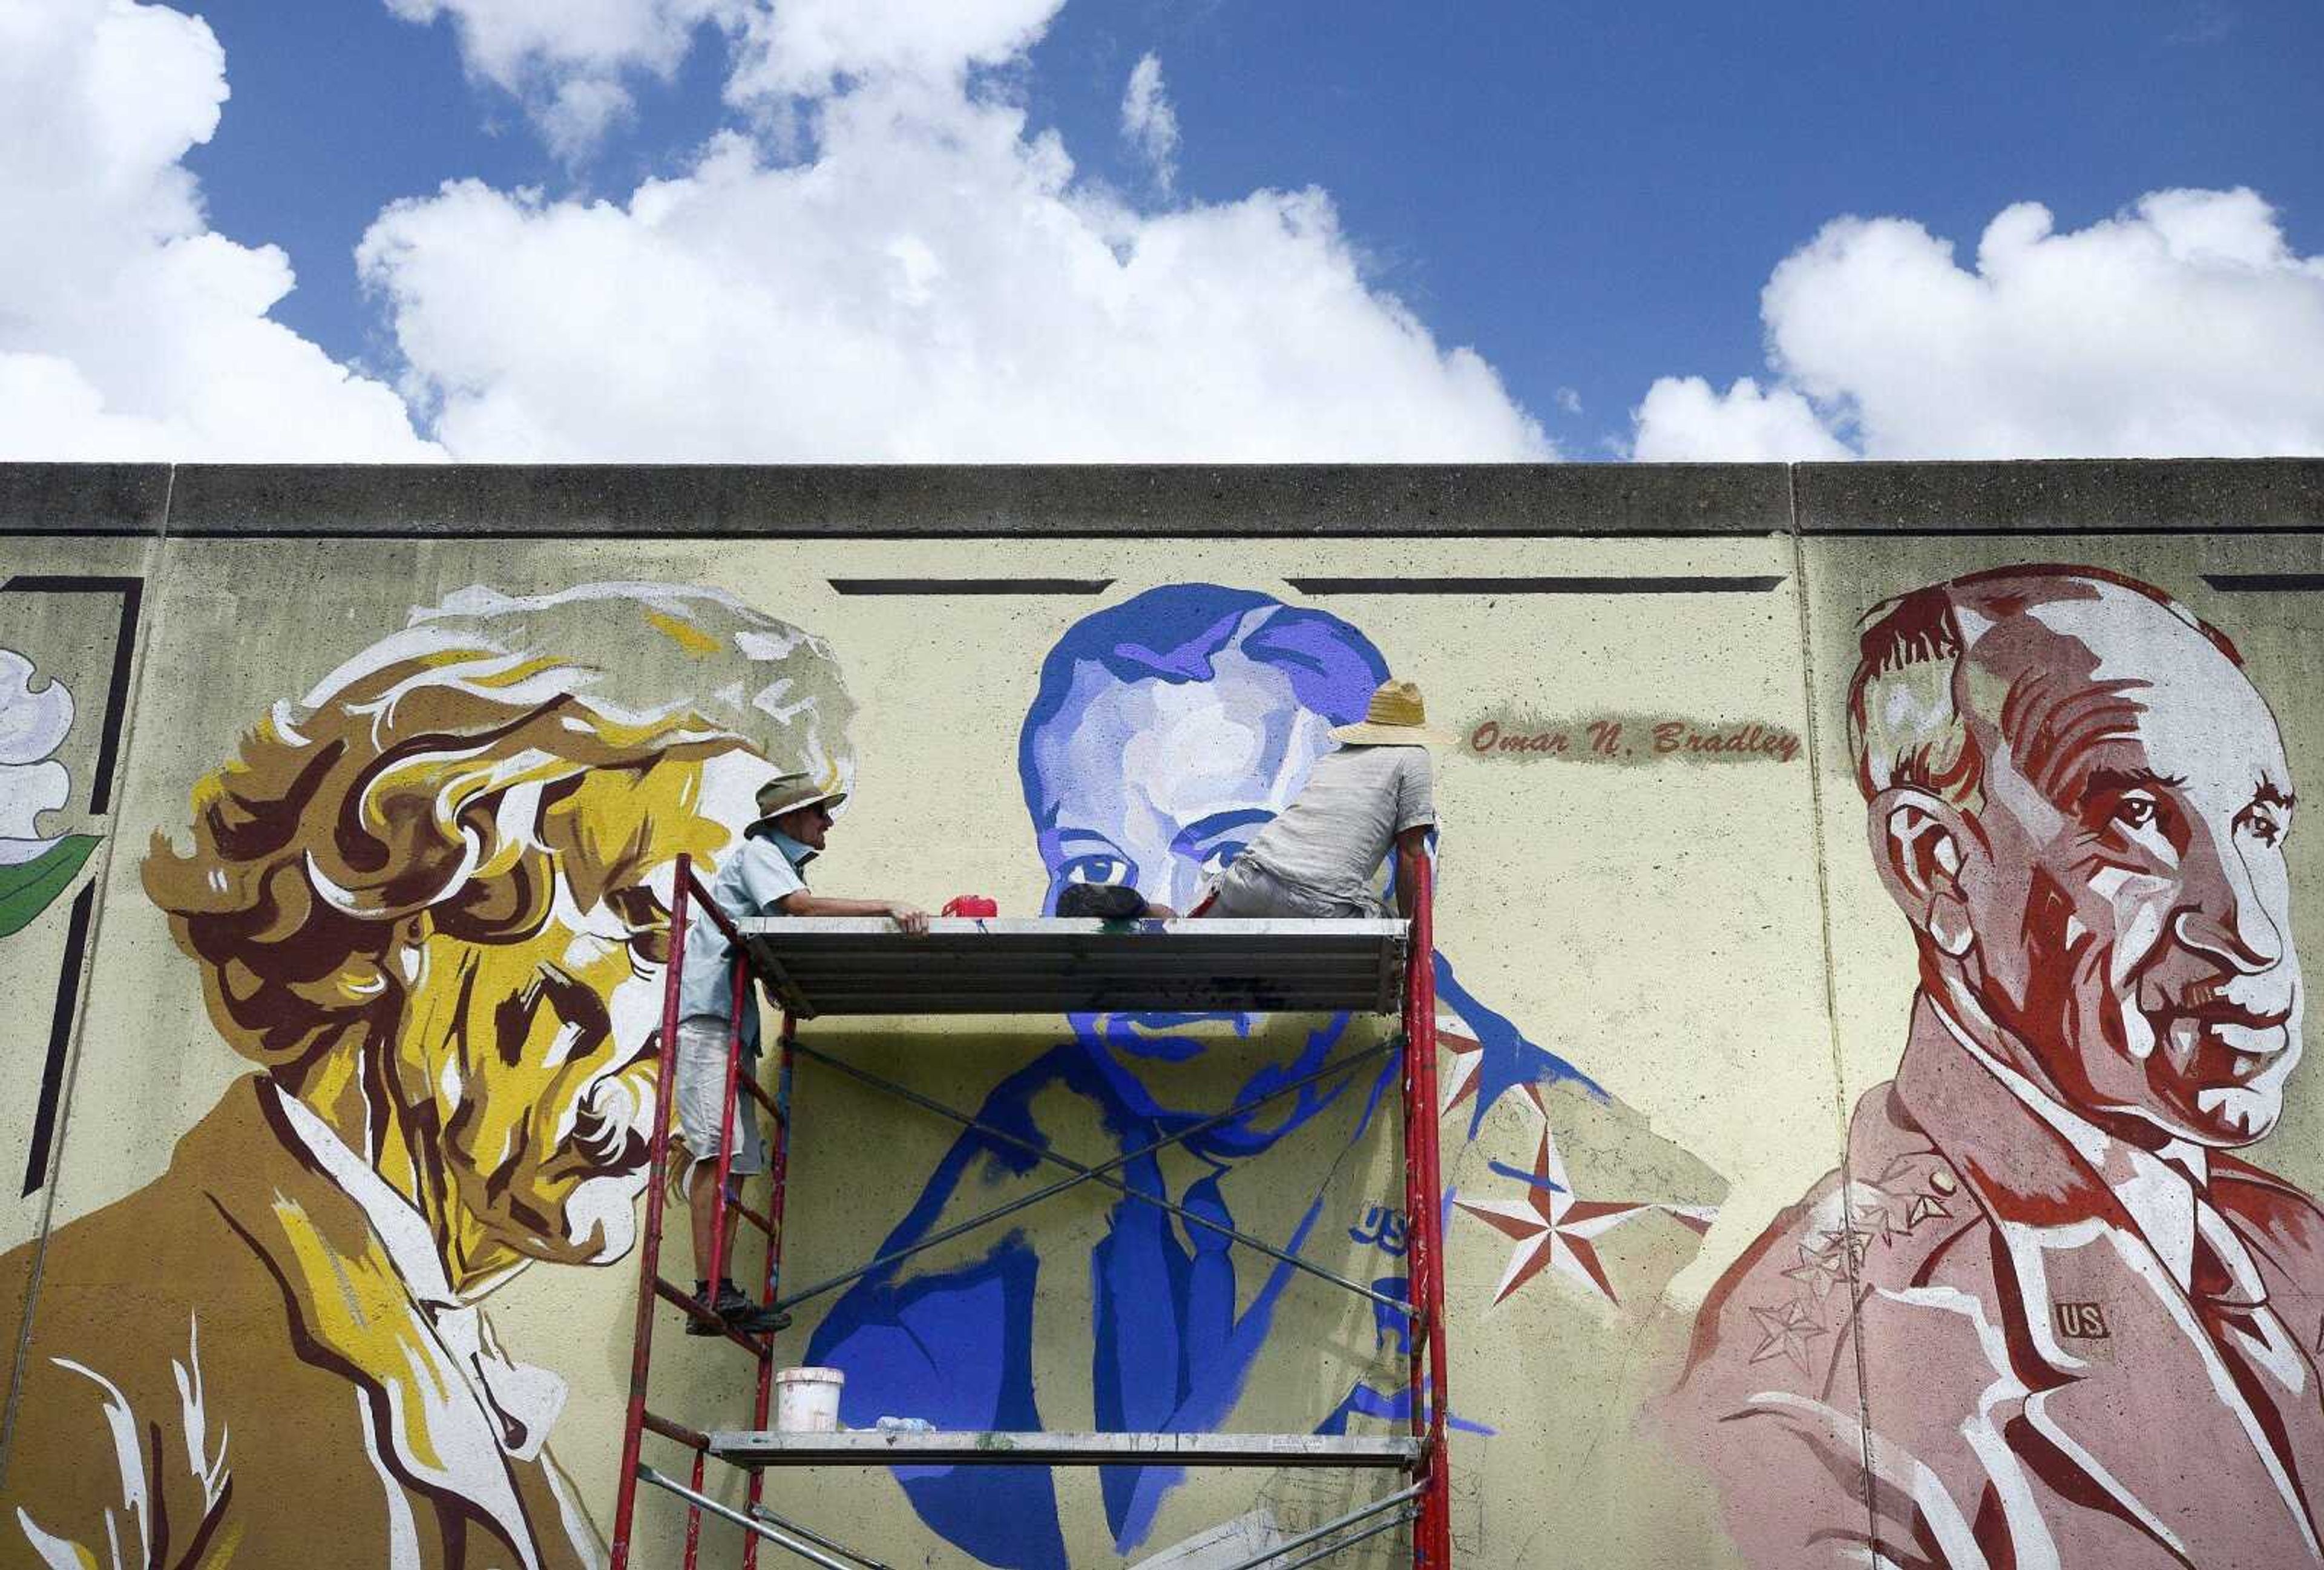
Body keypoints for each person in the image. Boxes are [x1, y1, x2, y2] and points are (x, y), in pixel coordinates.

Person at [810, 585, 1715, 1569]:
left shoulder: (1563, 1159)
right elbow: (886, 1393)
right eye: (1092, 857)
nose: (1156, 939)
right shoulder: (1028, 1135)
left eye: (1224, 843)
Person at [0, 582, 855, 1569]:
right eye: (648, 925)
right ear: (410, 912)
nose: (669, 1027)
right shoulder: (84, 1357)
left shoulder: (457, 1355)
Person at [1658, 566, 2323, 1568]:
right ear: (1938, 865)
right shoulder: (1819, 1386)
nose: (2254, 933)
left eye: (2259, 823)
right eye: (2139, 815)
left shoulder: (2292, 1246)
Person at [673, 771, 929, 1335]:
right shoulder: (762, 852)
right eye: (819, 814)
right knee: (719, 1154)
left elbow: (771, 925)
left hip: (727, 1027)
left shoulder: (772, 863)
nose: (827, 823)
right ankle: (708, 1291)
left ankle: (721, 1289)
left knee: (737, 1158)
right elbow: (801, 908)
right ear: (788, 820)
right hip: (710, 1025)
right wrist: (888, 904)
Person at [1187, 677, 1449, 922]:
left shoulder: (1333, 759)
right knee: (1391, 944)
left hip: (1249, 881)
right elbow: (1411, 851)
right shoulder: (1414, 757)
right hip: (1320, 902)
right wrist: (1412, 930)